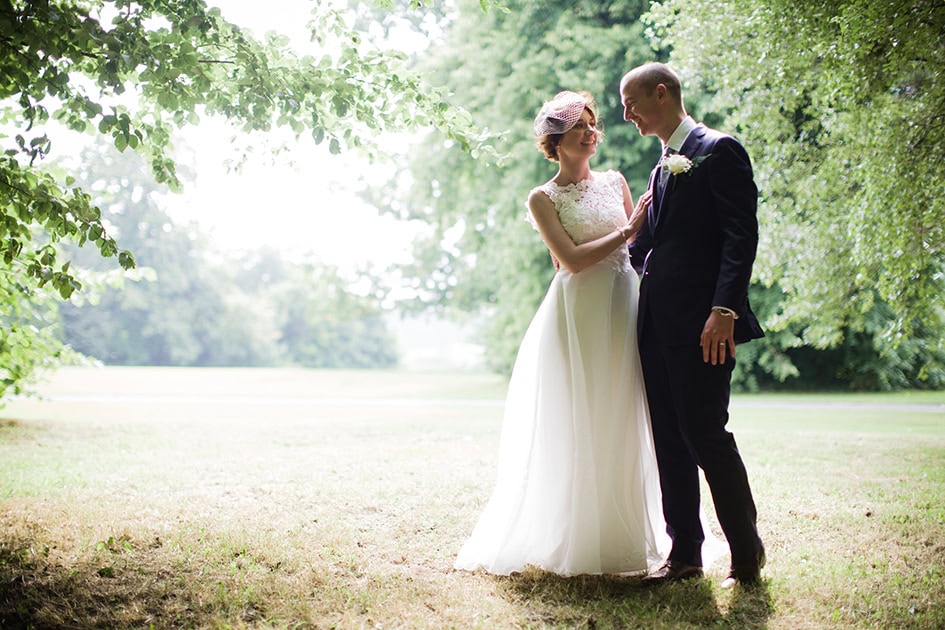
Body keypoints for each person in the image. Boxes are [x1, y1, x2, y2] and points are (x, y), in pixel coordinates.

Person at [453, 90, 668, 576]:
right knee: (583, 412)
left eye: (594, 126)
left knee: (627, 408)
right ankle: (581, 534)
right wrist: (627, 231)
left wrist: (638, 250)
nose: (593, 134)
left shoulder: (615, 182)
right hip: (578, 314)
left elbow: (637, 250)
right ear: (557, 142)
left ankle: (635, 534)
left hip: (625, 301)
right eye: (581, 130)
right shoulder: (542, 198)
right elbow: (569, 261)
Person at [619, 62, 766, 587]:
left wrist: (723, 309)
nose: (626, 114)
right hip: (655, 325)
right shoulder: (663, 165)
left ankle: (747, 556)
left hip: (707, 326)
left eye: (631, 102)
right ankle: (685, 556)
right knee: (669, 438)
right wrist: (642, 265)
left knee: (705, 433)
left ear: (662, 93)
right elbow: (648, 245)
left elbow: (739, 236)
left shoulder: (718, 150)